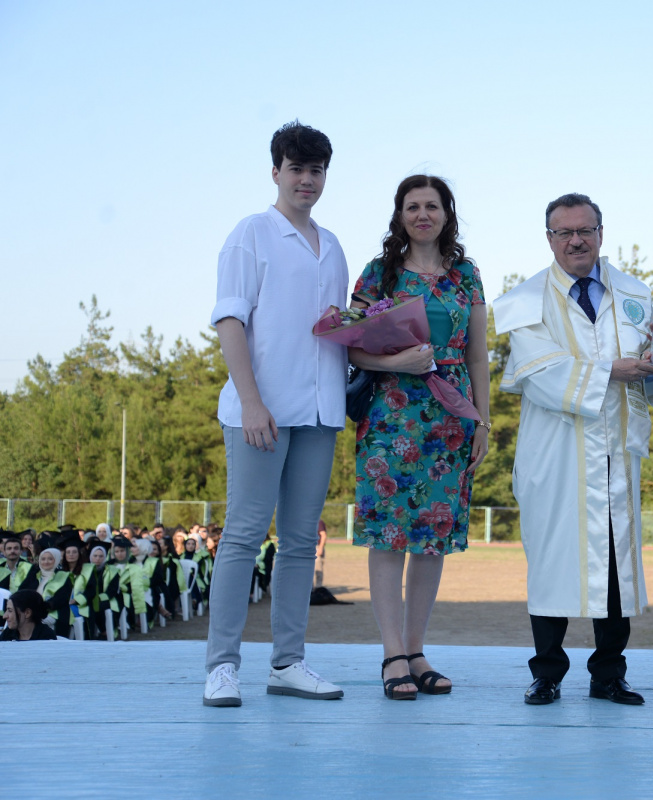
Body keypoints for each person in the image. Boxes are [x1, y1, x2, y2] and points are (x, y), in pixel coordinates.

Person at [493, 192, 653, 706]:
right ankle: (546, 672)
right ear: (549, 238)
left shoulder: (634, 293)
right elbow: (538, 372)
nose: (576, 240)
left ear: (600, 233)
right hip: (556, 454)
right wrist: (611, 371)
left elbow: (649, 369)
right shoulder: (526, 300)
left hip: (616, 449)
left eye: (585, 230)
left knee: (616, 562)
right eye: (564, 232)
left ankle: (609, 674)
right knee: (552, 559)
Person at [204, 120, 348, 708]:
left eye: (317, 170)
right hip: (259, 412)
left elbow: (333, 330)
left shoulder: (332, 245)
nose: (306, 180)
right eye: (297, 169)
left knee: (299, 542)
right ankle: (222, 666)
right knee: (243, 535)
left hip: (319, 412)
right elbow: (229, 320)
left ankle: (288, 662)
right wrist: (252, 401)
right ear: (276, 172)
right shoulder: (251, 234)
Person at [348, 174, 491, 701]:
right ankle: (392, 654)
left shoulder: (467, 275)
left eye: (432, 205)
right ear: (400, 214)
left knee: (432, 538)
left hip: (451, 417)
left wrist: (482, 420)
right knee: (388, 536)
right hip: (390, 415)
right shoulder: (378, 273)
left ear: (447, 213)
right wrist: (397, 362)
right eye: (413, 206)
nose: (422, 214)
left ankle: (416, 650)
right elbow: (348, 345)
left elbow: (477, 354)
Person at [26, 548, 74, 637]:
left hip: (54, 613)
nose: (46, 562)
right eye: (43, 559)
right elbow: (24, 591)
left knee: (30, 621)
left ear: (56, 560)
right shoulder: (35, 575)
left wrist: (44, 607)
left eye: (50, 559)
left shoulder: (63, 576)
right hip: (34, 611)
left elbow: (61, 598)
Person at [312, 520, 327, 589]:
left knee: (318, 569)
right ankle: (311, 588)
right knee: (310, 570)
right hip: (310, 547)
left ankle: (318, 587)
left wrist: (320, 548)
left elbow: (323, 535)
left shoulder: (318, 522)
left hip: (317, 547)